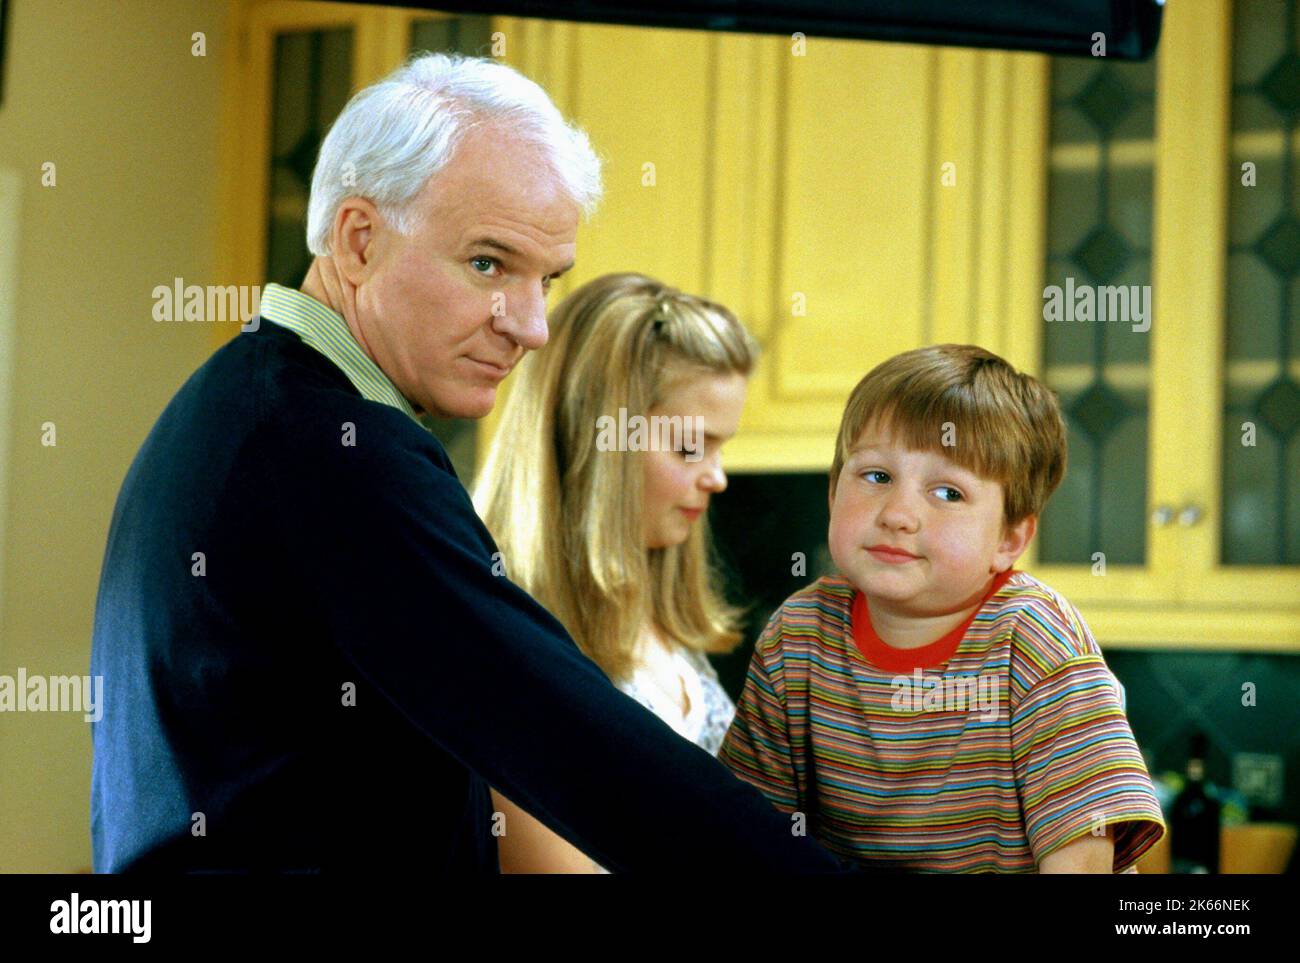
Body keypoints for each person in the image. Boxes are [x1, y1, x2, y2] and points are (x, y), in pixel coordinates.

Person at [88, 52, 851, 874]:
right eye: (488, 264)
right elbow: (558, 731)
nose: (530, 327)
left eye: (548, 280)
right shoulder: (335, 448)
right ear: (358, 240)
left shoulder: (247, 397)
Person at [719, 344, 1167, 872]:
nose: (899, 514)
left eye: (949, 492)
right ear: (833, 492)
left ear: (1009, 538)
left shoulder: (1036, 638)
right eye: (877, 476)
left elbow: (1084, 855)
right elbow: (746, 832)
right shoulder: (797, 635)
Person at [473, 273, 754, 872]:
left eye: (720, 447)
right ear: (601, 439)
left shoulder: (657, 612)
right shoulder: (504, 639)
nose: (717, 477)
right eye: (689, 448)